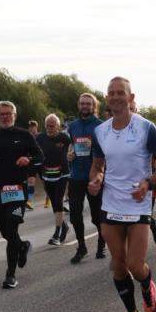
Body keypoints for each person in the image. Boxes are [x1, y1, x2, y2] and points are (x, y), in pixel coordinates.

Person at [88, 77, 156, 312]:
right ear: (107, 98)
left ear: (130, 97)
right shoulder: (100, 131)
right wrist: (97, 179)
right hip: (111, 203)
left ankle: (148, 292)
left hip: (138, 204)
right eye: (111, 93)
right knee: (118, 264)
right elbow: (98, 164)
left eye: (120, 93)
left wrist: (149, 182)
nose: (115, 97)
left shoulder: (145, 128)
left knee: (136, 266)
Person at [0, 100, 43, 288]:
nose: (5, 117)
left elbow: (40, 157)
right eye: (1, 114)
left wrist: (28, 159)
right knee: (6, 233)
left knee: (12, 229)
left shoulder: (24, 136)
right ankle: (21, 246)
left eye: (8, 113)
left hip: (18, 191)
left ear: (14, 116)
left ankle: (10, 274)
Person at [66, 93, 106, 263]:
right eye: (82, 103)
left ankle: (101, 244)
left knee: (97, 216)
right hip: (76, 176)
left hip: (94, 176)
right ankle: (81, 247)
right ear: (78, 105)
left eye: (88, 104)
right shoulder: (72, 126)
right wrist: (69, 154)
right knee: (75, 214)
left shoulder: (101, 126)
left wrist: (100, 173)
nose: (85, 106)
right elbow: (71, 145)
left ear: (93, 106)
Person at [36, 113, 71, 246]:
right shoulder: (40, 138)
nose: (49, 128)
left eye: (52, 126)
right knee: (55, 204)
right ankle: (64, 227)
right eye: (47, 126)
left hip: (62, 174)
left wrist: (71, 155)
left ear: (58, 126)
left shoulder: (64, 138)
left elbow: (73, 149)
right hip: (47, 175)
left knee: (58, 201)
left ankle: (56, 233)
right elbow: (35, 154)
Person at [25, 120, 40, 208]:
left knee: (46, 183)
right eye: (30, 127)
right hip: (31, 162)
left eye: (33, 126)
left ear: (36, 127)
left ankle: (48, 198)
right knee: (31, 182)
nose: (31, 128)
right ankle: (30, 201)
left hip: (41, 162)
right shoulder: (26, 137)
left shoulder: (41, 136)